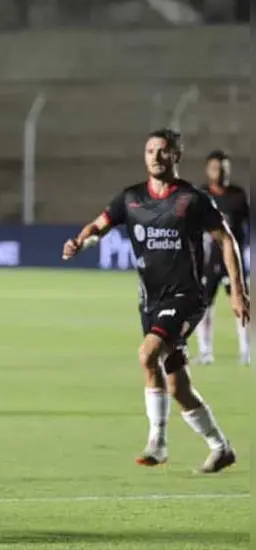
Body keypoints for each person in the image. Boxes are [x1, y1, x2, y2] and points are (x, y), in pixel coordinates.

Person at [62, 129, 248, 473]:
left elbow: (227, 240)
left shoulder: (191, 199)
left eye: (163, 151)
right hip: (150, 300)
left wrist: (238, 291)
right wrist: (79, 241)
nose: (156, 157)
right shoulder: (131, 198)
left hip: (187, 297)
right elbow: (100, 225)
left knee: (147, 354)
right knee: (178, 388)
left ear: (176, 155)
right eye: (150, 151)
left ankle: (157, 443)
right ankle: (220, 447)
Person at [194, 150, 250, 366]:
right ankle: (205, 351)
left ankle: (246, 351)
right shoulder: (202, 195)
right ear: (208, 170)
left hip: (233, 261)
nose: (221, 172)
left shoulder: (238, 196)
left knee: (241, 302)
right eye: (216, 168)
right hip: (209, 260)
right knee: (204, 305)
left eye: (224, 168)